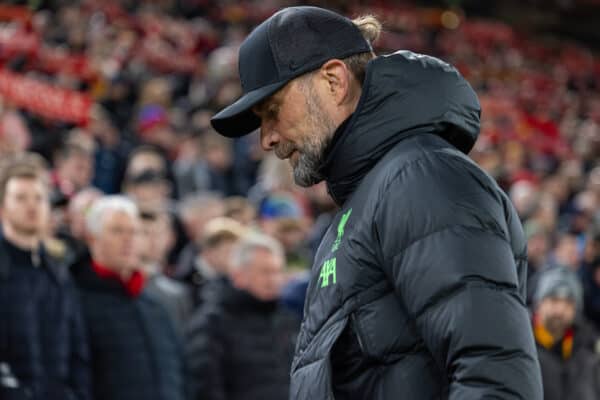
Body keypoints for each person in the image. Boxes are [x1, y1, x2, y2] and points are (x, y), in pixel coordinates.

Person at [211, 6, 543, 399]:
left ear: (334, 81)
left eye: (272, 111)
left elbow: (495, 377)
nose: (266, 138)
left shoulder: (422, 179)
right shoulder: (367, 197)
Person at [71, 196, 185, 400]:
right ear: (92, 238)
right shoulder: (75, 301)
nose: (128, 239)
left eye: (134, 232)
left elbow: (181, 373)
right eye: (117, 231)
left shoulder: (155, 306)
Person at [0, 154, 91, 400]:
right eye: (20, 198)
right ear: (2, 208)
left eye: (39, 198)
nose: (32, 205)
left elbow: (77, 350)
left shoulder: (59, 274)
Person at [185, 233, 299, 400]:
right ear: (238, 275)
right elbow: (205, 387)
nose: (274, 280)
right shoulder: (211, 322)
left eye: (278, 272)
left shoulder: (288, 320)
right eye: (265, 272)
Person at [532, 267, 600, 400]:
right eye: (553, 300)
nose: (560, 309)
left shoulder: (589, 349)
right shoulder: (523, 346)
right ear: (539, 303)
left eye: (568, 303)